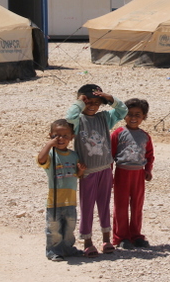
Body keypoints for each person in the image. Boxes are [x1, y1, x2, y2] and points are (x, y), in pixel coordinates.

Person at [66, 84, 128, 258]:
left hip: (105, 169)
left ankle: (106, 239)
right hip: (88, 172)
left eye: (96, 102)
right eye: (88, 102)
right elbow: (69, 117)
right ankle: (87, 241)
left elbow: (122, 111)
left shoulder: (105, 118)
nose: (92, 105)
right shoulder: (78, 121)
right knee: (87, 206)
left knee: (104, 205)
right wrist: (79, 102)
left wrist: (109, 98)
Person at [37, 119, 86, 262]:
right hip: (55, 201)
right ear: (50, 135)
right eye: (57, 136)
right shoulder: (51, 155)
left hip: (70, 199)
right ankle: (53, 251)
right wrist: (48, 145)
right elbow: (41, 160)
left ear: (72, 137)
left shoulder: (73, 155)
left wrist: (81, 170)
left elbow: (77, 174)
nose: (61, 139)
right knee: (54, 228)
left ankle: (67, 248)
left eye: (65, 136)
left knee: (69, 227)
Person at [111, 98, 154, 249]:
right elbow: (111, 155)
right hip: (122, 173)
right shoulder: (118, 133)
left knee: (137, 205)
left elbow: (149, 155)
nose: (133, 118)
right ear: (124, 116)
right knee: (121, 206)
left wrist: (148, 170)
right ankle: (121, 237)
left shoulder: (145, 136)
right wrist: (109, 175)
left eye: (138, 114)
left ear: (144, 117)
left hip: (138, 175)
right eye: (130, 114)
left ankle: (136, 235)